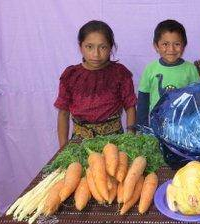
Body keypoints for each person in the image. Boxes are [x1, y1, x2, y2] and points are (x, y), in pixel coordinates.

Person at [54, 20, 137, 148]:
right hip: (79, 144)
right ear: (80, 46)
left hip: (114, 142)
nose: (96, 54)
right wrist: (63, 147)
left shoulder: (120, 73)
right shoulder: (71, 75)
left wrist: (130, 138)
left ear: (110, 47)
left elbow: (130, 106)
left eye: (102, 47)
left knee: (113, 168)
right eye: (89, 47)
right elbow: (63, 113)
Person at [136, 19, 200, 127]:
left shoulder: (190, 69)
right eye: (165, 44)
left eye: (177, 44)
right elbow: (143, 101)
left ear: (184, 46)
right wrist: (142, 127)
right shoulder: (150, 69)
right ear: (156, 46)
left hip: (183, 125)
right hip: (156, 124)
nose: (171, 49)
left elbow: (197, 98)